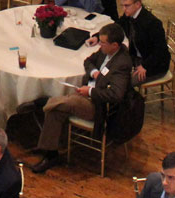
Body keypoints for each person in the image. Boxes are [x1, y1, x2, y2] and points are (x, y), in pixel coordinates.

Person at [32, 23, 132, 174]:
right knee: (56, 110)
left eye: (103, 42)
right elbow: (88, 61)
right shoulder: (106, 51)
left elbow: (116, 95)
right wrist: (94, 73)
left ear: (115, 45)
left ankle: (43, 104)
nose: (100, 44)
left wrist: (91, 91)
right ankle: (50, 153)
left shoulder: (122, 64)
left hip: (98, 106)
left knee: (64, 102)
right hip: (85, 94)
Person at [117, 0, 169, 84]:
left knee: (123, 83)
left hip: (154, 65)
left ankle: (131, 98)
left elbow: (160, 51)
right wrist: (98, 36)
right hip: (137, 56)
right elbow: (117, 26)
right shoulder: (129, 14)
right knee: (114, 70)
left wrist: (145, 66)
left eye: (127, 5)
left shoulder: (153, 23)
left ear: (137, 4)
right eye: (123, 6)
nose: (124, 9)